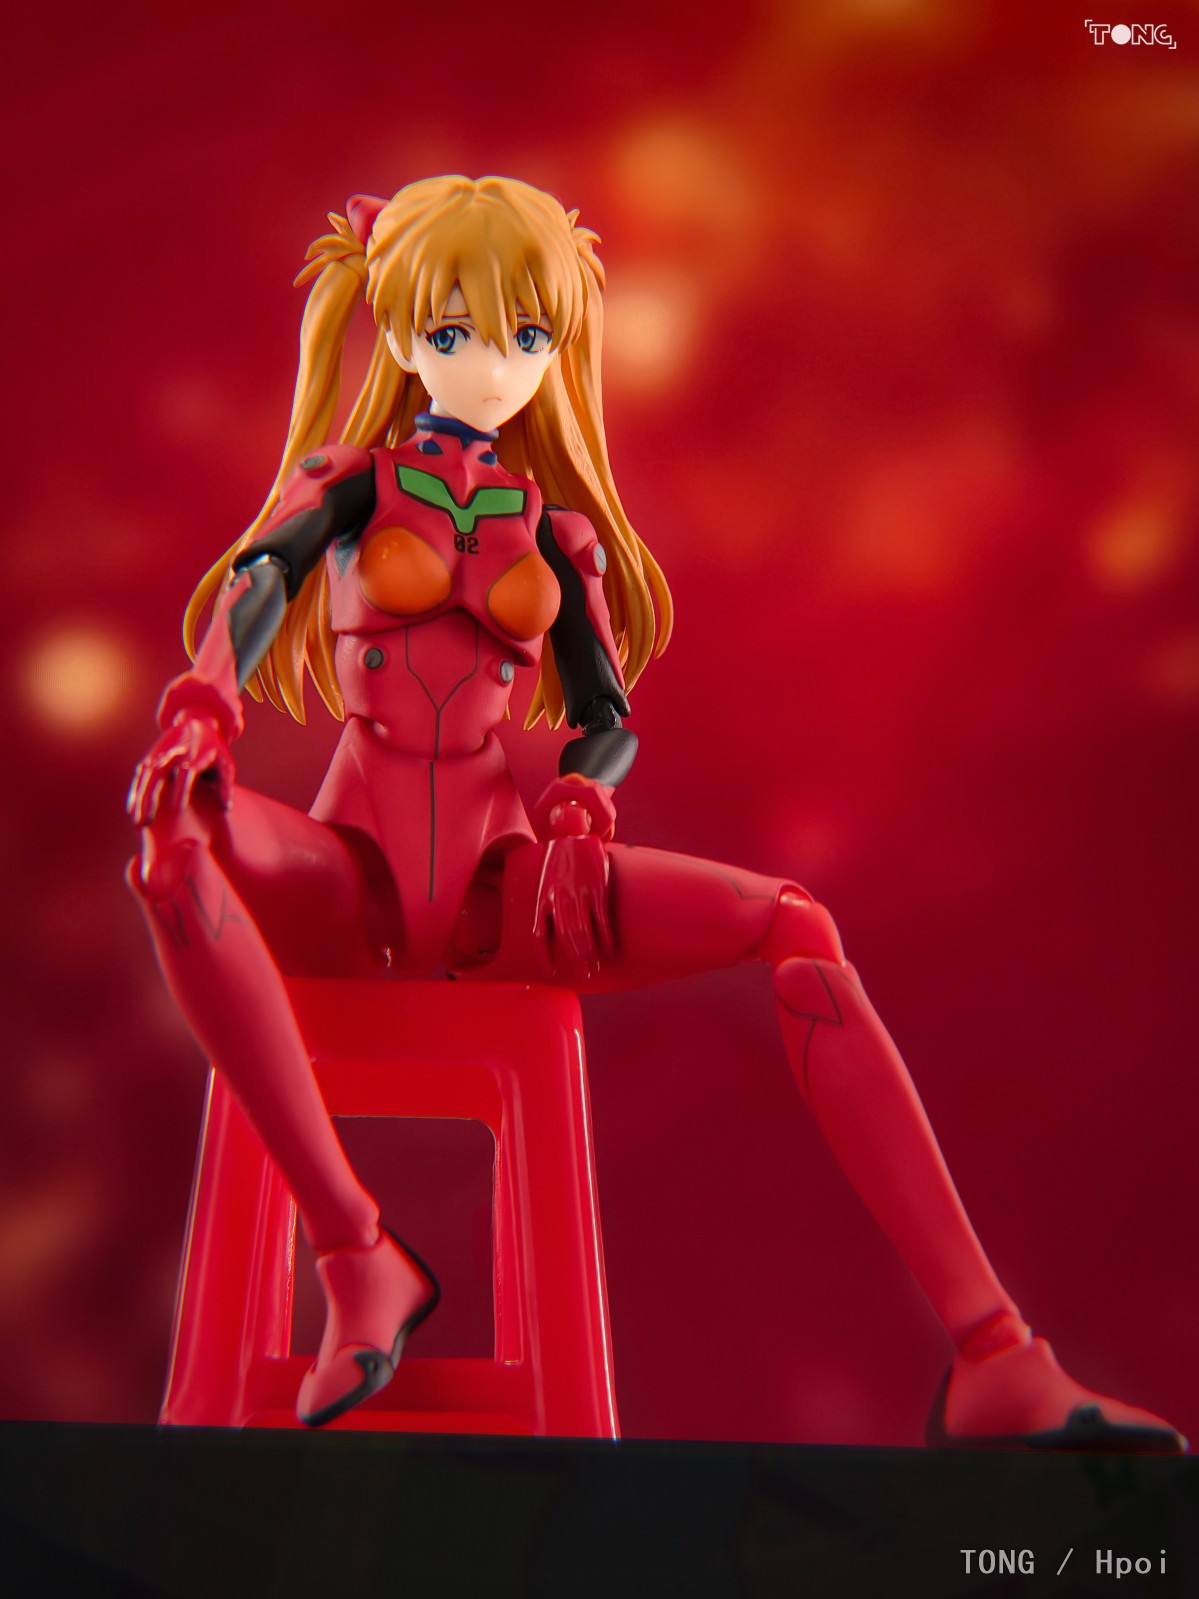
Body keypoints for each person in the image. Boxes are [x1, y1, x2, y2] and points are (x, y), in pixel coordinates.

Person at [128, 175, 1183, 1447]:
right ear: (396, 330)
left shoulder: (552, 535)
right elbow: (256, 584)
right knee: (175, 837)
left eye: (525, 334)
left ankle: (996, 1358)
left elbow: (603, 712)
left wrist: (582, 802)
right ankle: (357, 1250)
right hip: (341, 878)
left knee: (795, 925)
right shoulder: (347, 487)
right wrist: (204, 708)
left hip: (504, 888)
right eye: (452, 330)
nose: (489, 365)